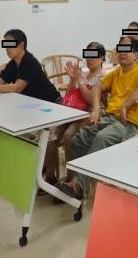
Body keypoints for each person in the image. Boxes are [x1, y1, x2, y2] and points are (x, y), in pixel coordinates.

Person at [61, 36, 138, 199]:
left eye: (127, 49)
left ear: (136, 54)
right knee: (76, 140)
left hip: (127, 123)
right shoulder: (116, 73)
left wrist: (125, 105)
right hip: (109, 119)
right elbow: (97, 88)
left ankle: (78, 185)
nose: (122, 53)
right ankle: (75, 181)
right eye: (120, 49)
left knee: (101, 138)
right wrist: (96, 109)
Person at [43, 41, 107, 191]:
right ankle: (50, 176)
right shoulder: (82, 73)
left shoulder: (103, 77)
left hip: (91, 112)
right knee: (52, 132)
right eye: (88, 55)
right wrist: (72, 80)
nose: (89, 59)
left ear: (101, 58)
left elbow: (91, 100)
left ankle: (71, 179)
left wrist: (80, 81)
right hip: (74, 111)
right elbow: (68, 97)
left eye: (94, 55)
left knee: (69, 135)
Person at [0, 29, 60, 103]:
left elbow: (17, 88)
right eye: (5, 44)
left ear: (21, 45)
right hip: (34, 103)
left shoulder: (30, 61)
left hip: (52, 102)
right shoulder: (12, 64)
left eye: (10, 44)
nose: (7, 48)